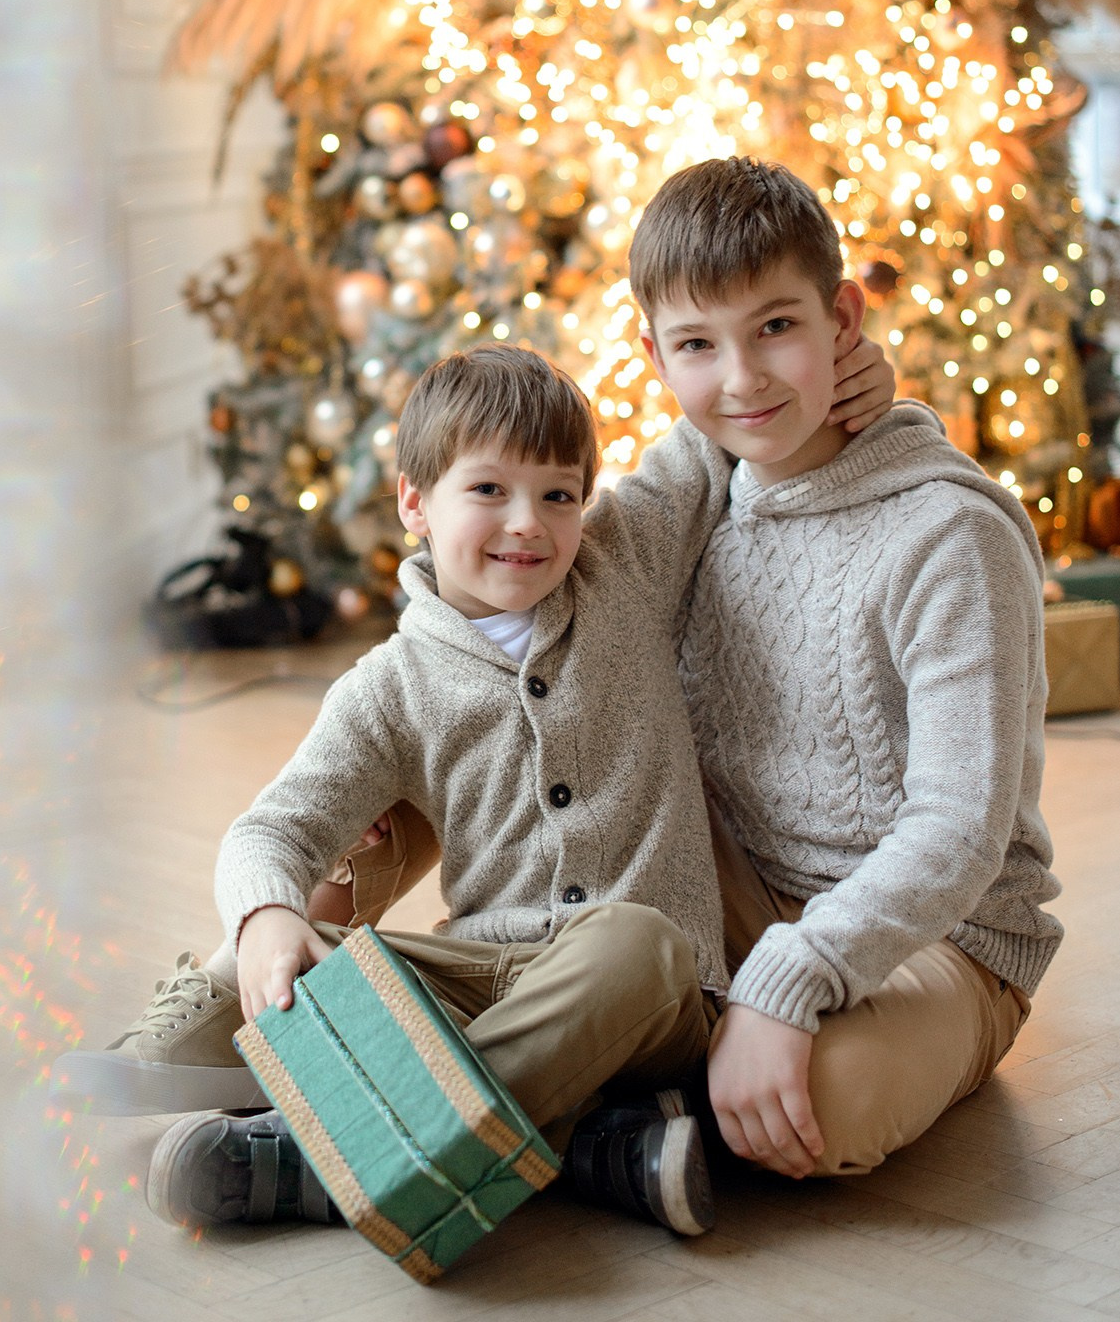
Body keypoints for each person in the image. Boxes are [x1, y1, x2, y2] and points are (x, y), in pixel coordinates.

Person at [143, 342, 742, 1238]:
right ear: (414, 502)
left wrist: (857, 371)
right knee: (276, 962)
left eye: (558, 494)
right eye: (489, 490)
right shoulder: (388, 689)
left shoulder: (625, 564)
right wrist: (269, 916)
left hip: (645, 997)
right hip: (484, 983)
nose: (529, 524)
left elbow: (715, 427)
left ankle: (329, 1152)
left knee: (639, 943)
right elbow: (270, 833)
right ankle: (584, 1145)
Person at [623, 154, 1061, 1180]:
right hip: (732, 882)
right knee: (503, 665)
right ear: (654, 357)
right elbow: (554, 587)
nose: (742, 378)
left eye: (777, 327)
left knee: (822, 1108)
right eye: (698, 345)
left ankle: (603, 1109)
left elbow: (959, 830)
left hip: (936, 939)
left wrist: (794, 973)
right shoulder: (699, 485)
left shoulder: (949, 536)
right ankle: (290, 970)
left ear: (843, 320)